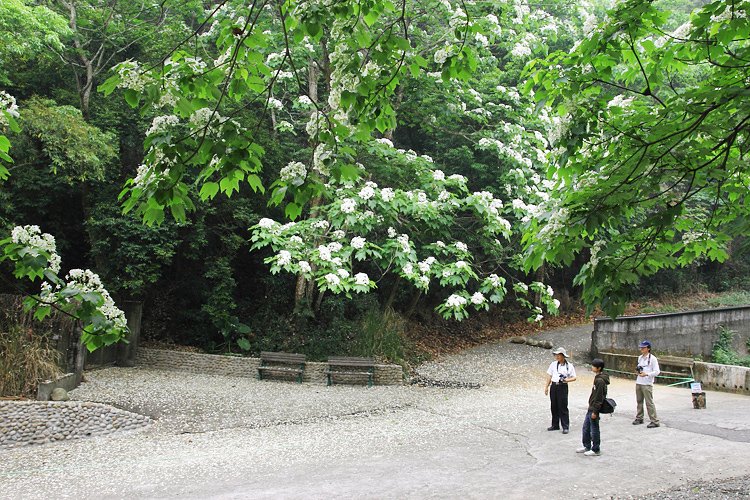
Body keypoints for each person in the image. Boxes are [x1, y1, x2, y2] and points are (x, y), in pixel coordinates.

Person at [577, 358, 609, 456]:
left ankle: (596, 449)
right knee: (586, 427)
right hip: (591, 406)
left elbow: (599, 397)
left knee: (594, 428)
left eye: (594, 366)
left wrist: (595, 411)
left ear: (599, 368)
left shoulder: (600, 381)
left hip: (594, 408)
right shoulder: (598, 378)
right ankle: (587, 445)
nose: (592, 367)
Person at [544, 347, 577, 434]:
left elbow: (574, 377)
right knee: (553, 406)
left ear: (563, 356)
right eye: (556, 355)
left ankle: (565, 426)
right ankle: (555, 424)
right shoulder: (553, 364)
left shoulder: (569, 366)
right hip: (554, 386)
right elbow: (549, 375)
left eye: (559, 355)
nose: (557, 357)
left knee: (563, 406)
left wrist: (566, 380)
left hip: (563, 386)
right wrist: (546, 386)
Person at [633, 340, 661, 428]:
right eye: (641, 347)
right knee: (639, 401)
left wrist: (647, 374)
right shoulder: (640, 358)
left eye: (644, 347)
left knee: (649, 402)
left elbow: (657, 371)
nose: (642, 349)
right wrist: (638, 372)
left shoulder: (653, 359)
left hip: (647, 383)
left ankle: (655, 420)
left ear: (648, 349)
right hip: (639, 381)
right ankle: (639, 417)